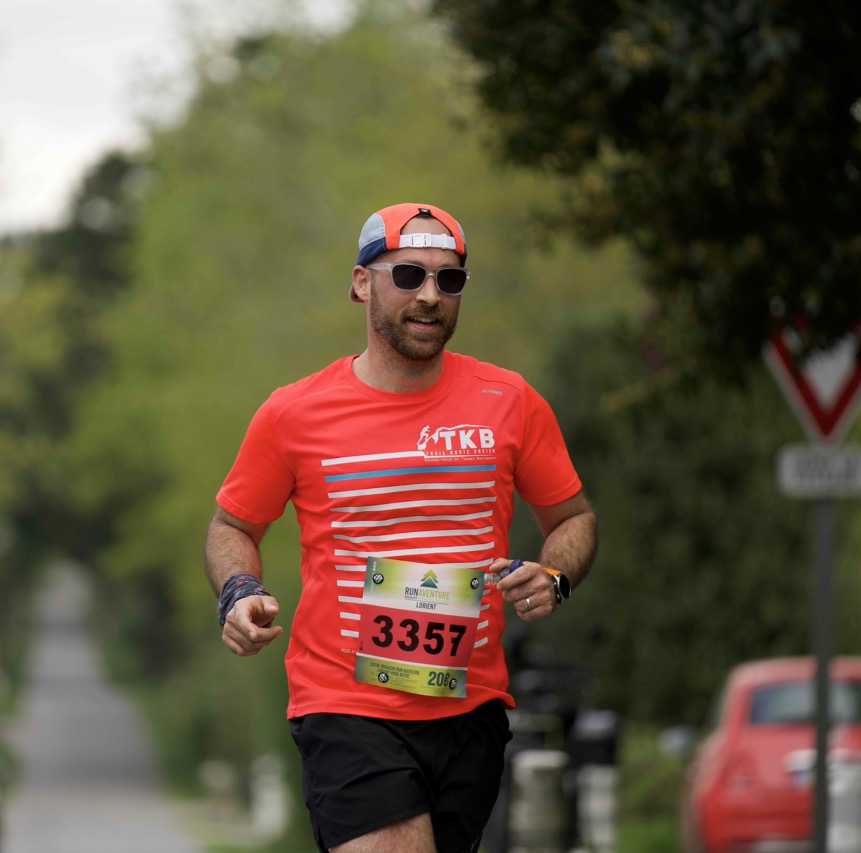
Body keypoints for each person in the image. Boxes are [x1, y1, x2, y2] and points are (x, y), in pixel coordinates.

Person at [205, 202, 598, 853]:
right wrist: (239, 590)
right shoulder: (293, 413)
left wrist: (554, 575)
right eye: (409, 274)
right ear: (362, 283)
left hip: (472, 711)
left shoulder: (509, 401)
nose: (430, 295)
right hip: (346, 705)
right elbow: (231, 525)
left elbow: (574, 517)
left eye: (450, 279)